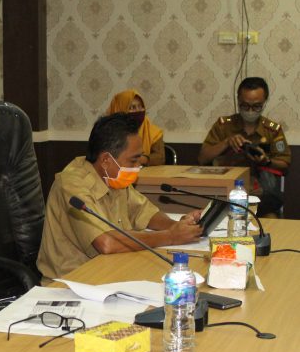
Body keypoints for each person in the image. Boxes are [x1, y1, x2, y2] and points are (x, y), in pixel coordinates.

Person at [37, 113, 202, 283]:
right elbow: (107, 243)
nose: (138, 166)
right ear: (106, 160)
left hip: (110, 273)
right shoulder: (71, 184)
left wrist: (177, 226)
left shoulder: (113, 177)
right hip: (71, 284)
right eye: (133, 160)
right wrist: (171, 236)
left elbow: (145, 213)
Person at [199, 77, 290, 217]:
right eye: (245, 106)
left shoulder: (272, 130)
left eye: (257, 106)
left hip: (261, 199)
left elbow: (285, 163)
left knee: (271, 221)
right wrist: (227, 142)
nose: (250, 110)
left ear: (265, 102)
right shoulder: (223, 126)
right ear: (238, 100)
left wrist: (266, 161)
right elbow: (202, 158)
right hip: (225, 196)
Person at [106, 89, 165, 166]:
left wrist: (141, 159)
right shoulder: (106, 132)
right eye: (132, 107)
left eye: (141, 106)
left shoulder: (153, 132)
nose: (138, 110)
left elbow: (160, 157)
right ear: (120, 110)